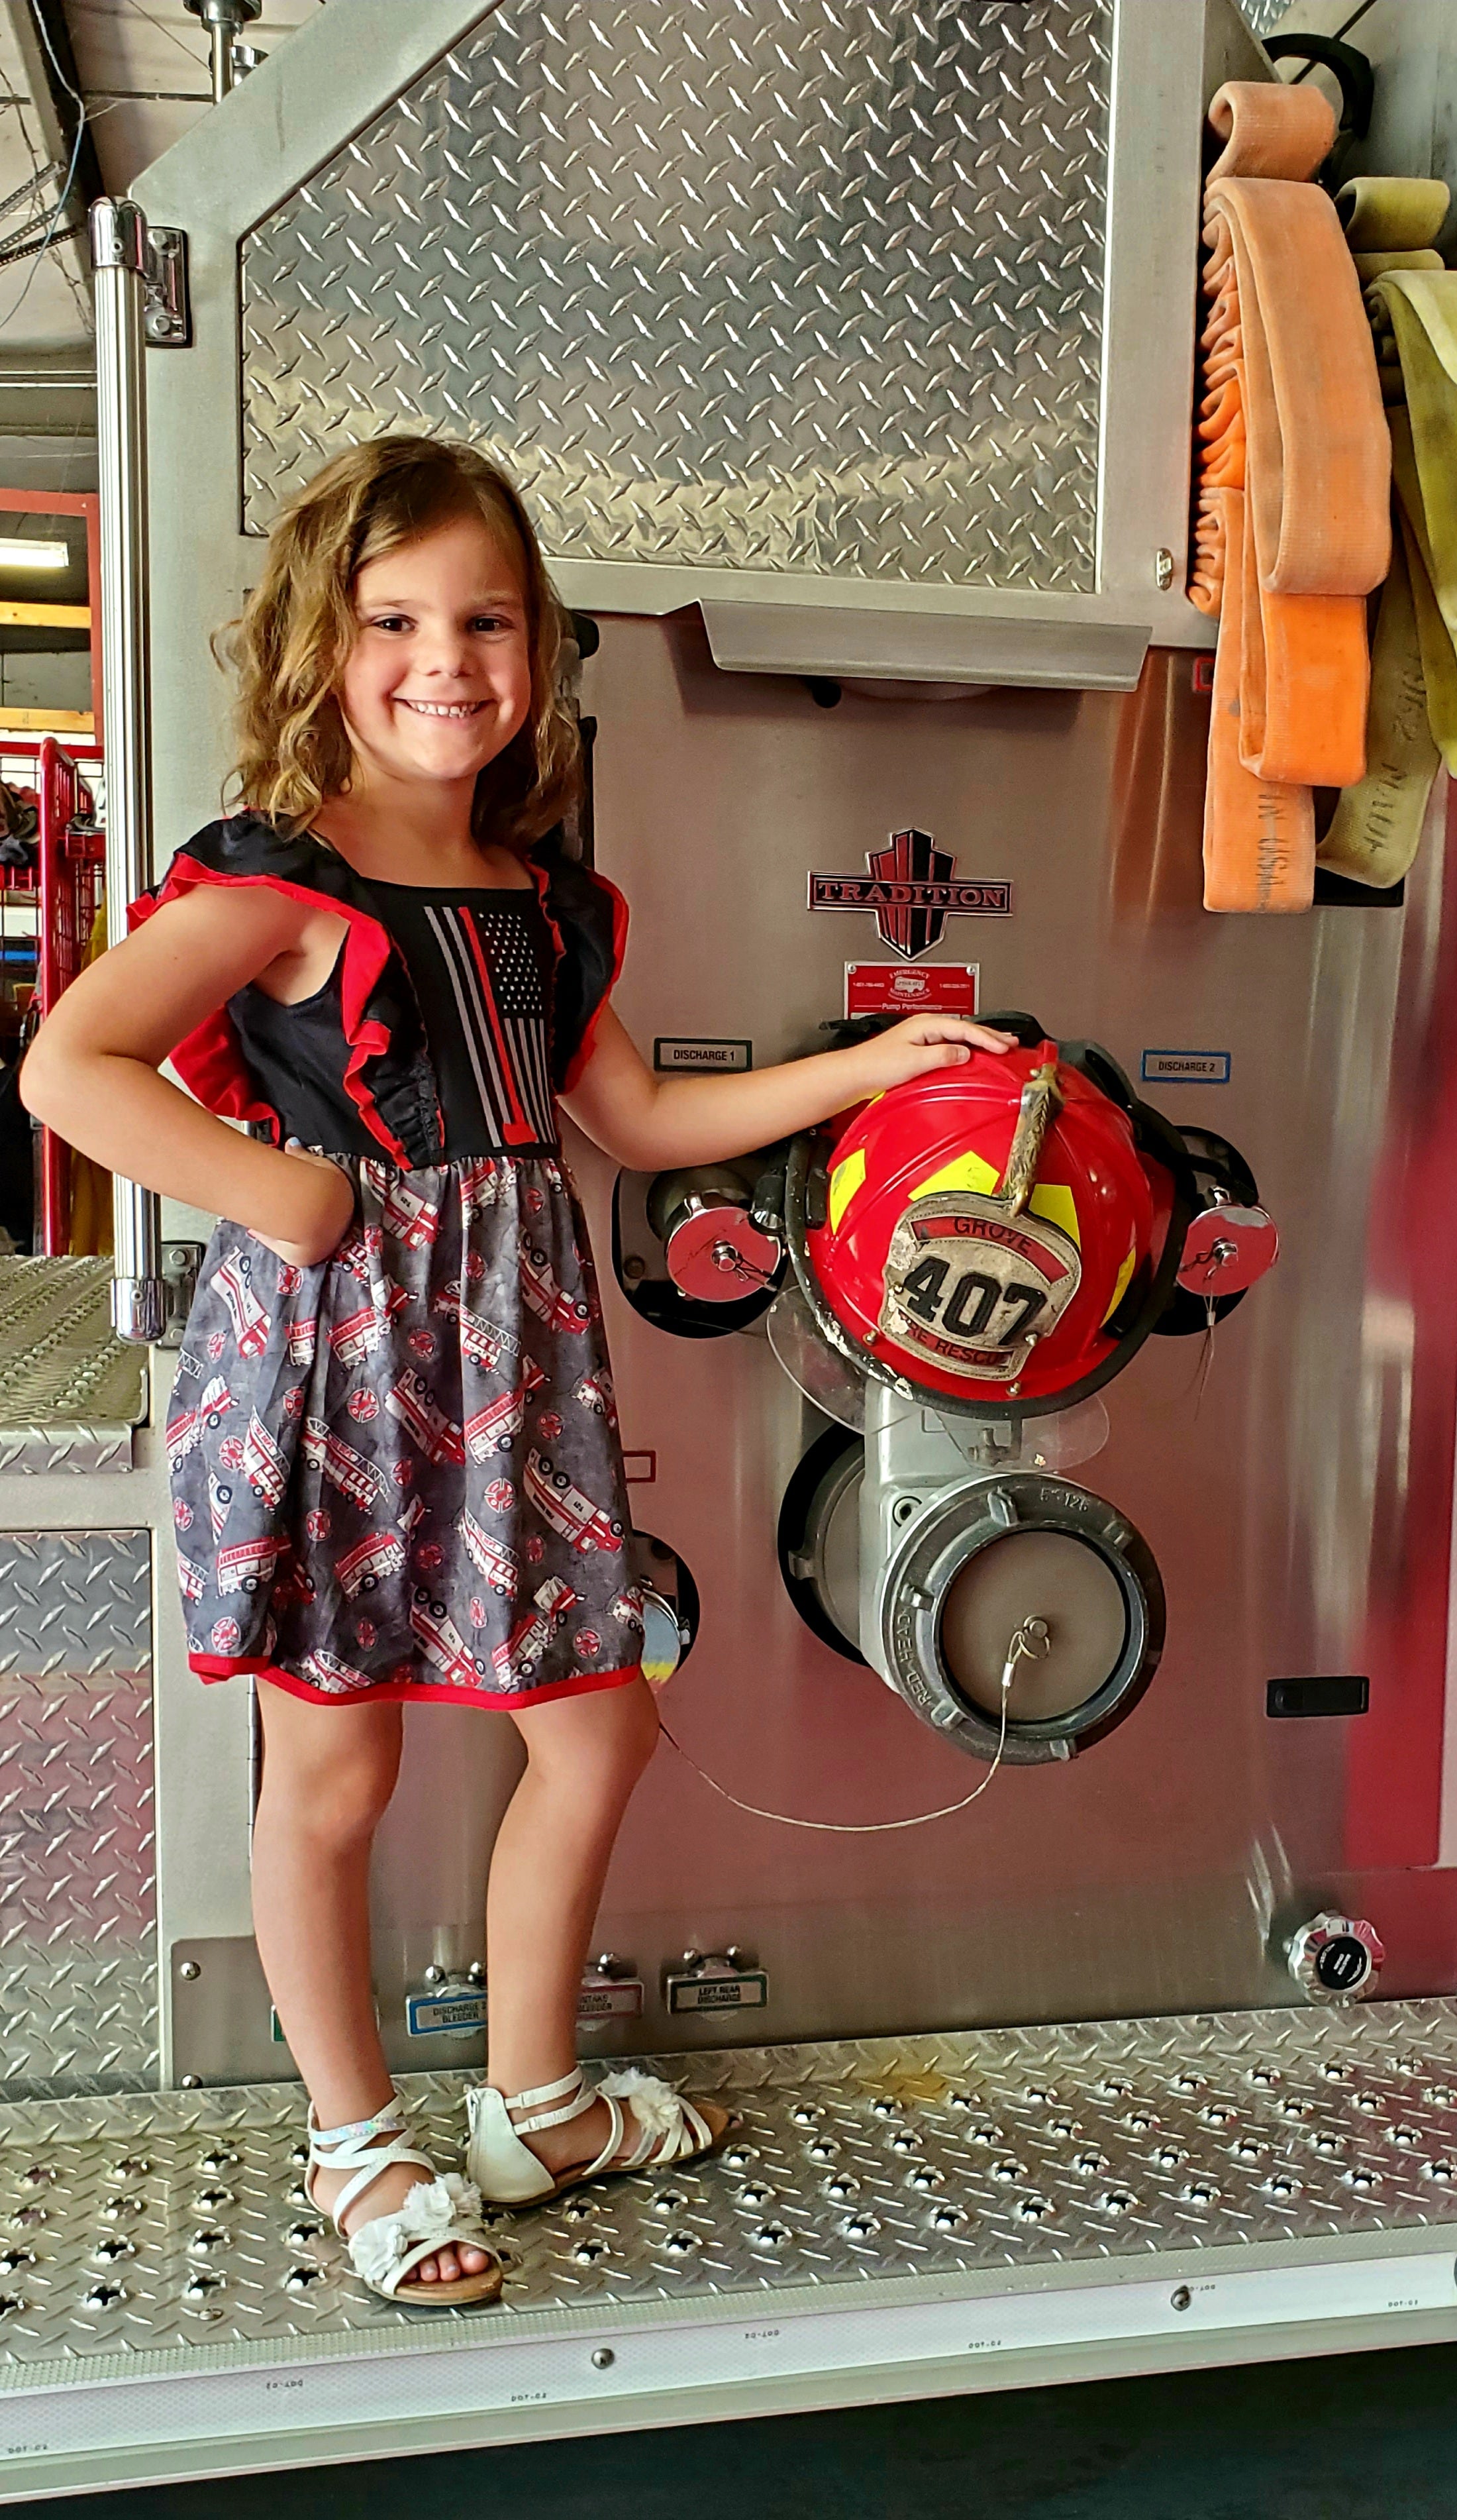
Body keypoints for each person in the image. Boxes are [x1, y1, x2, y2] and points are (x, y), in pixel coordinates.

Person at [21, 435, 1013, 2309]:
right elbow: (69, 1067)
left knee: (597, 1718)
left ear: (538, 649)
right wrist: (279, 1192)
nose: (443, 658)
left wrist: (874, 1070)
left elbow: (633, 1116)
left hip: (511, 1370)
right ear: (321, 644)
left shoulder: (542, 896)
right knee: (332, 1766)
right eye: (393, 618)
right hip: (331, 1367)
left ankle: (532, 2100)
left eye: (483, 619)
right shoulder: (274, 888)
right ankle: (353, 2139)